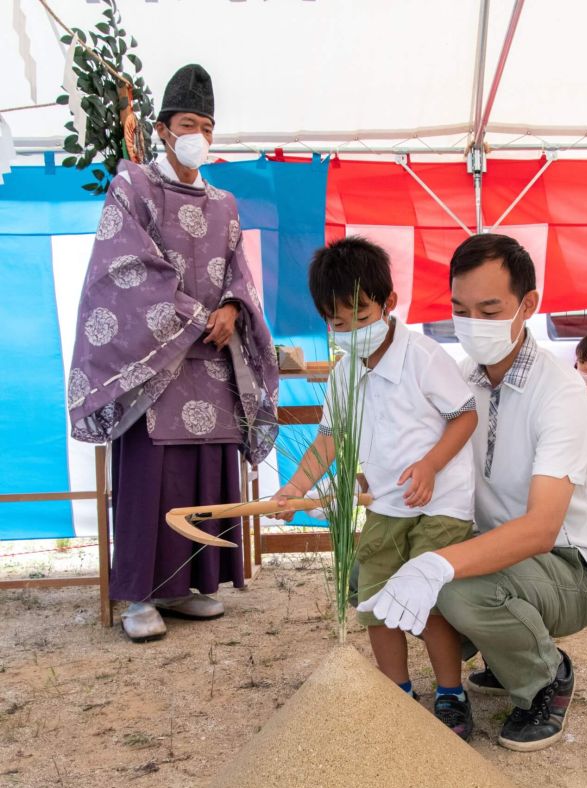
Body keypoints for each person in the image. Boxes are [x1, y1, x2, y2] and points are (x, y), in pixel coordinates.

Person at [359, 233, 587, 752]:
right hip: (493, 548)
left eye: (489, 308)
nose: (472, 322)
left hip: (570, 567)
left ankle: (546, 677)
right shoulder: (458, 381)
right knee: (391, 579)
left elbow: (543, 528)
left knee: (449, 586)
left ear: (529, 305)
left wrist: (436, 565)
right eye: (460, 308)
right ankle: (504, 654)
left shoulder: (562, 395)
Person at [69, 64, 278, 641]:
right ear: (162, 130)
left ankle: (189, 586)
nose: (199, 136)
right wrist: (192, 315)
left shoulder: (226, 202)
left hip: (213, 358)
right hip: (153, 362)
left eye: (208, 127)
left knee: (206, 469)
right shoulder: (133, 186)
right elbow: (124, 267)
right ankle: (140, 595)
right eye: (189, 123)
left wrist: (234, 308)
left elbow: (239, 269)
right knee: (151, 477)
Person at [271, 237, 479, 738]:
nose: (350, 331)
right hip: (386, 506)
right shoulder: (344, 376)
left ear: (388, 304)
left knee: (422, 597)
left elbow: (465, 416)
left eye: (360, 317)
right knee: (376, 599)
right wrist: (293, 490)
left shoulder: (425, 357)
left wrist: (430, 466)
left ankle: (451, 693)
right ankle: (397, 692)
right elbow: (329, 441)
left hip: (440, 505)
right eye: (337, 323)